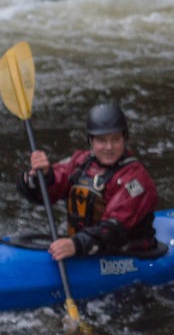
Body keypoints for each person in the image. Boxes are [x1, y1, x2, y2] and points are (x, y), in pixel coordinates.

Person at [18, 102, 159, 260]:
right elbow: (50, 189)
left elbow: (113, 228)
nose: (109, 147)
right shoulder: (80, 162)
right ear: (91, 141)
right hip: (86, 247)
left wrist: (76, 245)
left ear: (124, 138)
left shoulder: (135, 179)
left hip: (124, 254)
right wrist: (40, 177)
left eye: (116, 139)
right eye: (101, 140)